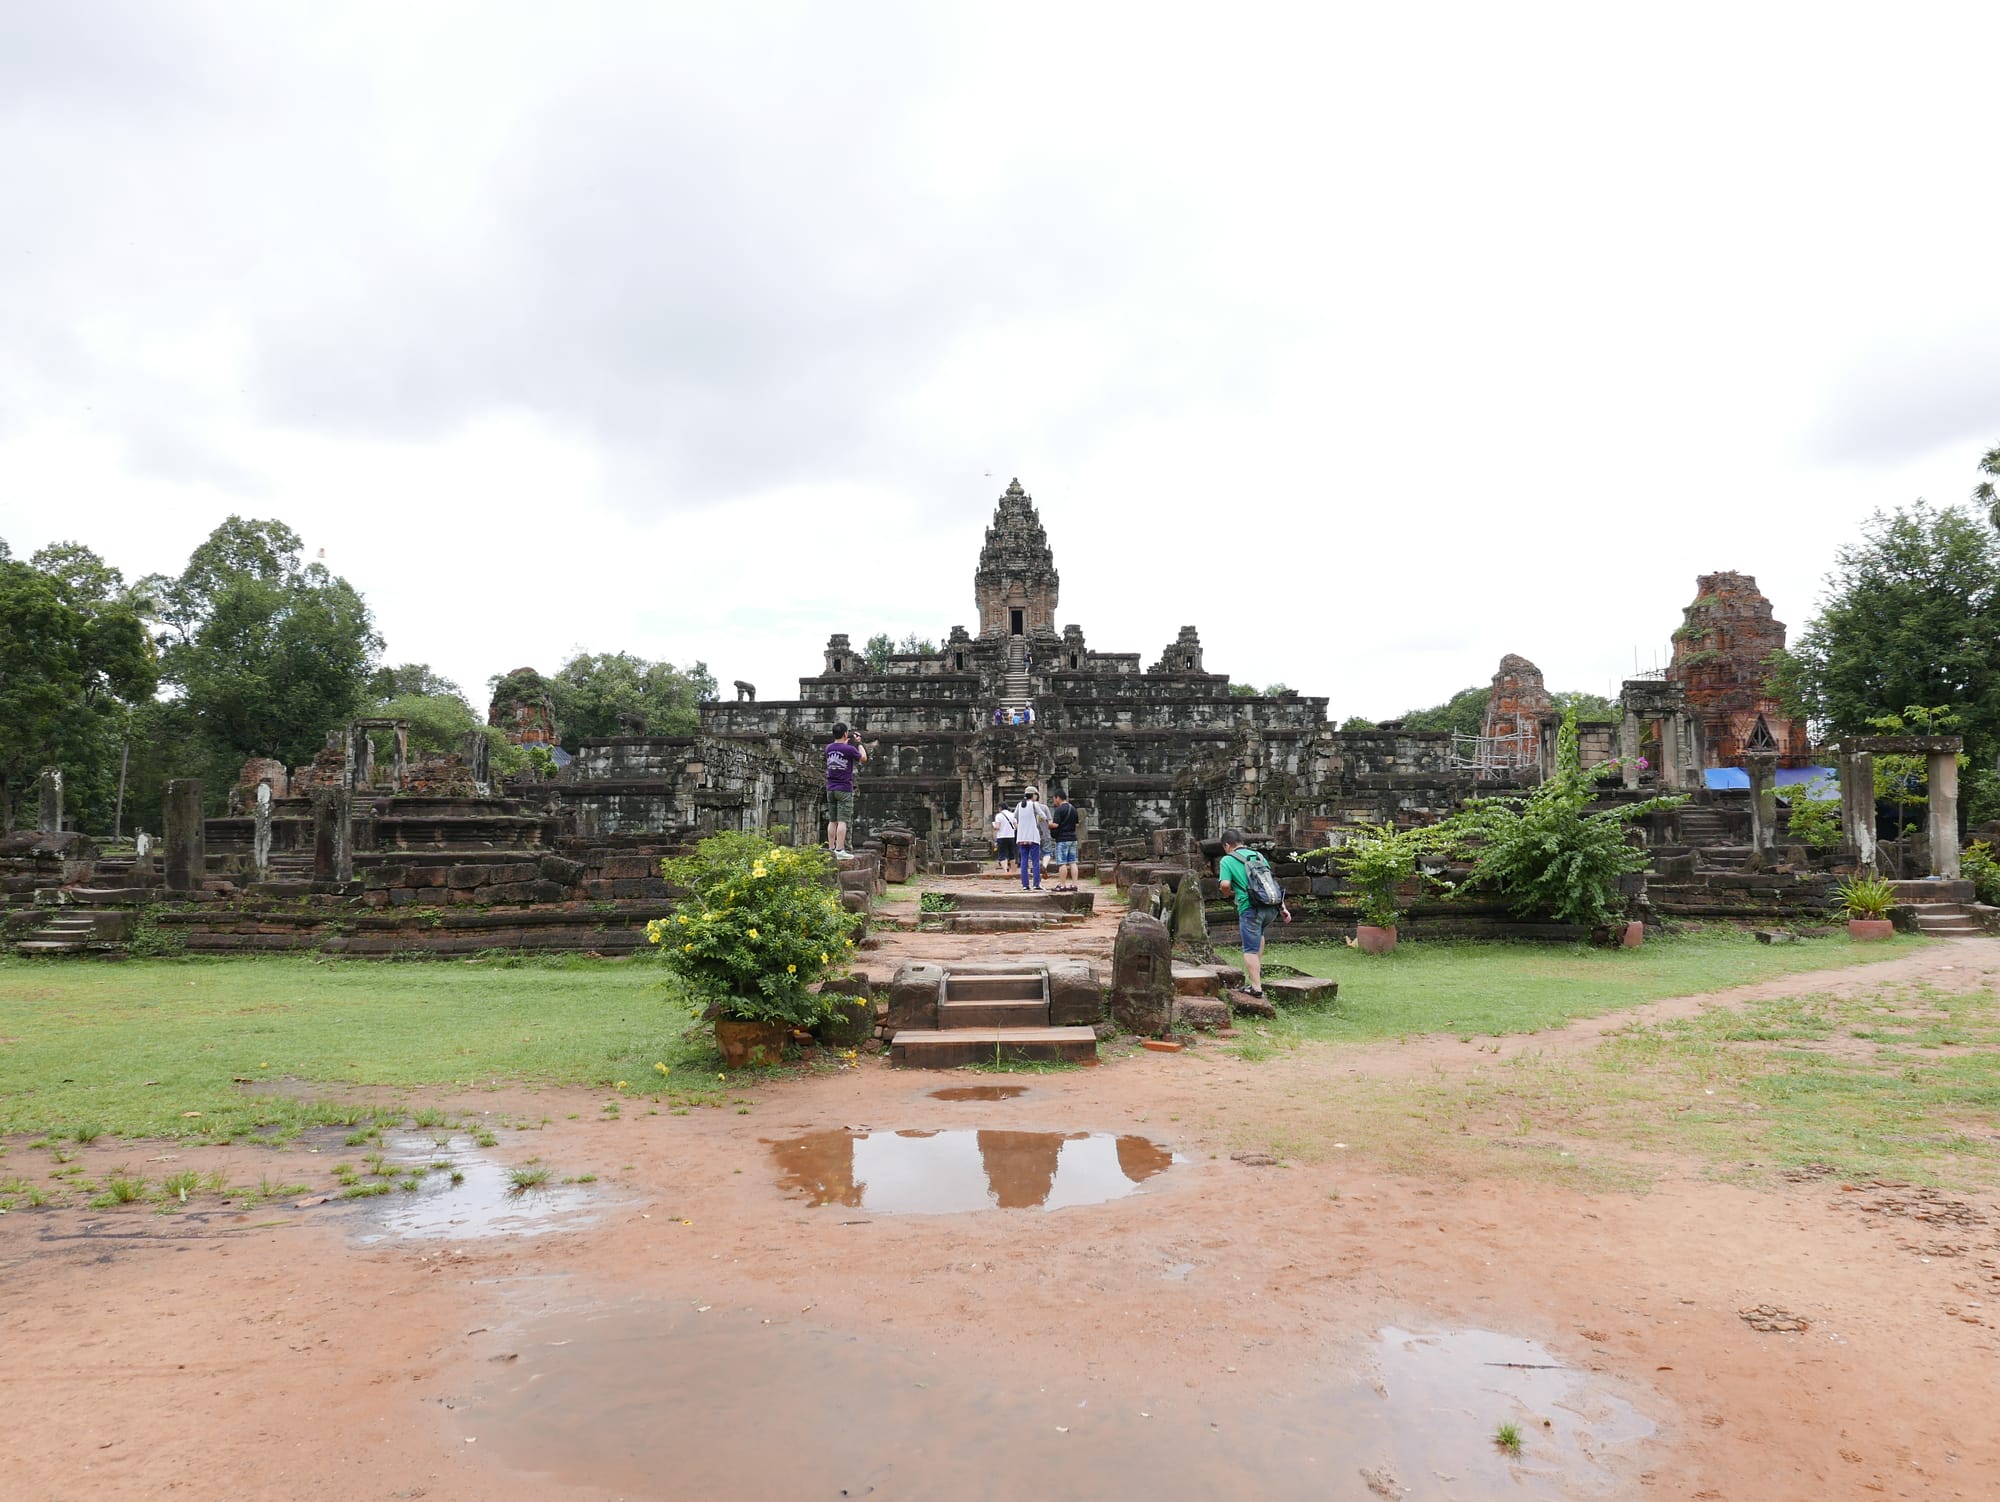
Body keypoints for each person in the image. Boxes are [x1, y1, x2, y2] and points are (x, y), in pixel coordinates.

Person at [1217, 829, 1290, 999]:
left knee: (1249, 949)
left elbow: (1225, 884)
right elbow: (1269, 882)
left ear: (1227, 845)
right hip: (1270, 907)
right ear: (1241, 842)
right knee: (1259, 936)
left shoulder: (1227, 860)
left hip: (1251, 908)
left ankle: (1256, 987)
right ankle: (1256, 976)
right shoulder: (1258, 856)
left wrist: (1227, 893)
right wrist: (1283, 907)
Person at [823, 722, 868, 856]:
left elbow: (839, 750)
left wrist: (847, 742)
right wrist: (859, 743)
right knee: (842, 820)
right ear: (845, 734)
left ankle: (831, 848)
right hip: (844, 788)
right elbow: (864, 759)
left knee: (832, 820)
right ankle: (840, 850)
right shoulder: (849, 749)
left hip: (830, 788)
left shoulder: (828, 748)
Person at [1013, 786, 1051, 891]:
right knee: (1035, 861)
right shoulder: (1034, 805)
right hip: (1033, 836)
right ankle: (1036, 884)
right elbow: (1043, 816)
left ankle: (1025, 885)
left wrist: (1018, 826)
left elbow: (1013, 818)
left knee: (1024, 861)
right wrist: (1038, 819)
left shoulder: (1019, 805)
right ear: (1033, 795)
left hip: (1021, 837)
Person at [1048, 790, 1080, 890]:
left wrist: (1048, 823)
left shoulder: (1059, 810)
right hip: (1073, 838)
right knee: (1073, 862)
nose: (1054, 801)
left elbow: (1055, 825)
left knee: (1062, 863)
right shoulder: (1073, 809)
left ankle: (1062, 885)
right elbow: (1077, 824)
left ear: (1058, 797)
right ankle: (1074, 884)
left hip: (1062, 839)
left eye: (1054, 798)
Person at [992, 804, 1016, 870]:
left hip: (1001, 837)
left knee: (1002, 854)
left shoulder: (998, 815)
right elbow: (1016, 826)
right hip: (1011, 836)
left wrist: (994, 826)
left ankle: (1006, 869)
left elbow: (997, 827)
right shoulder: (1012, 814)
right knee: (1012, 854)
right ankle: (1013, 870)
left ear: (1000, 808)